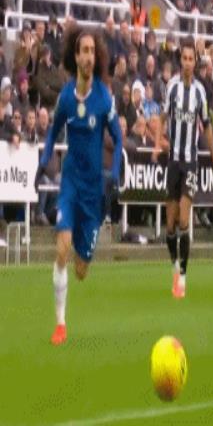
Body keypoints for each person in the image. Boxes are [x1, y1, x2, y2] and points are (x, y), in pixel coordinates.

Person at [34, 27, 122, 346]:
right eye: (83, 51)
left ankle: (81, 253)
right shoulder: (66, 98)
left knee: (81, 270)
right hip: (70, 183)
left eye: (92, 51)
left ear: (96, 57)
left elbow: (119, 138)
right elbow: (52, 132)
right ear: (75, 55)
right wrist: (45, 158)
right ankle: (60, 324)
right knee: (61, 248)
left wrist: (115, 173)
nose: (88, 57)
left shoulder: (104, 98)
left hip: (93, 191)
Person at [163, 36, 213, 299]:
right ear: (180, 61)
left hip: (190, 162)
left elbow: (206, 126)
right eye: (184, 59)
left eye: (191, 59)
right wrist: (159, 141)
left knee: (185, 219)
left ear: (195, 63)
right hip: (173, 161)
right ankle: (175, 266)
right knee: (170, 225)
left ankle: (183, 277)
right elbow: (163, 116)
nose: (188, 63)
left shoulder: (200, 92)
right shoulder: (172, 88)